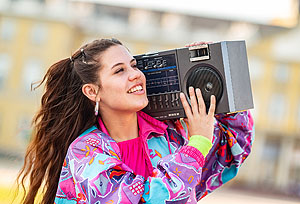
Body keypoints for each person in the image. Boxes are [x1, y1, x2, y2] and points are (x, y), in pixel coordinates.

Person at [17, 38, 254, 204]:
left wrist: (216, 73)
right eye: (119, 70)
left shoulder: (170, 137)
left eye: (134, 65)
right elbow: (148, 199)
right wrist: (197, 144)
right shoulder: (86, 151)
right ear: (92, 91)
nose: (135, 74)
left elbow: (235, 148)